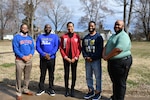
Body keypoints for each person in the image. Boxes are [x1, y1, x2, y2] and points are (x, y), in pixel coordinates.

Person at [102, 20, 132, 100]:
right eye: (115, 24)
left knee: (120, 83)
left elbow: (118, 49)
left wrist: (107, 57)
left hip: (122, 62)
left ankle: (119, 98)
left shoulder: (123, 36)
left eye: (118, 25)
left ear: (122, 26)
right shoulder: (113, 36)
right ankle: (115, 97)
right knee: (115, 81)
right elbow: (106, 46)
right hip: (113, 62)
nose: (116, 26)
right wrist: (104, 54)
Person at [12, 24, 35, 100]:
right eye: (23, 28)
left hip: (29, 60)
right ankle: (18, 93)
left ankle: (25, 89)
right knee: (19, 77)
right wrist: (23, 56)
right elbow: (15, 49)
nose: (25, 29)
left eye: (26, 28)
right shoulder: (17, 37)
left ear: (27, 29)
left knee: (27, 76)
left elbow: (32, 48)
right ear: (21, 28)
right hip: (20, 60)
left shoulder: (30, 38)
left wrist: (30, 55)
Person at [82, 21, 103, 100]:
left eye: (92, 26)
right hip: (87, 60)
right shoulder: (85, 37)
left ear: (95, 27)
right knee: (88, 76)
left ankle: (98, 92)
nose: (90, 27)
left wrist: (92, 58)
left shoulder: (98, 37)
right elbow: (83, 48)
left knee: (98, 77)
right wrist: (86, 56)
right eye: (89, 25)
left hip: (96, 60)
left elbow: (100, 50)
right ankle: (91, 91)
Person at [36, 24, 59, 96]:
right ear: (44, 28)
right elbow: (37, 46)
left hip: (51, 58)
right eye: (46, 27)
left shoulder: (55, 37)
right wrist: (43, 54)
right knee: (42, 74)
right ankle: (41, 88)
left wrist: (50, 54)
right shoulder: (40, 37)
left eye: (49, 27)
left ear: (51, 29)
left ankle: (51, 89)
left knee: (51, 74)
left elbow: (56, 46)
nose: (47, 29)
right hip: (43, 59)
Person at [60, 22, 81, 97]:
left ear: (73, 27)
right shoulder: (63, 37)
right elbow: (61, 48)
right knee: (66, 74)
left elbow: (79, 48)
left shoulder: (77, 37)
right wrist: (65, 57)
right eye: (68, 26)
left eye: (71, 26)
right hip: (66, 58)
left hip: (74, 59)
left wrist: (75, 57)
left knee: (74, 74)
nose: (70, 28)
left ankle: (72, 89)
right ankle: (66, 90)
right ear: (67, 27)